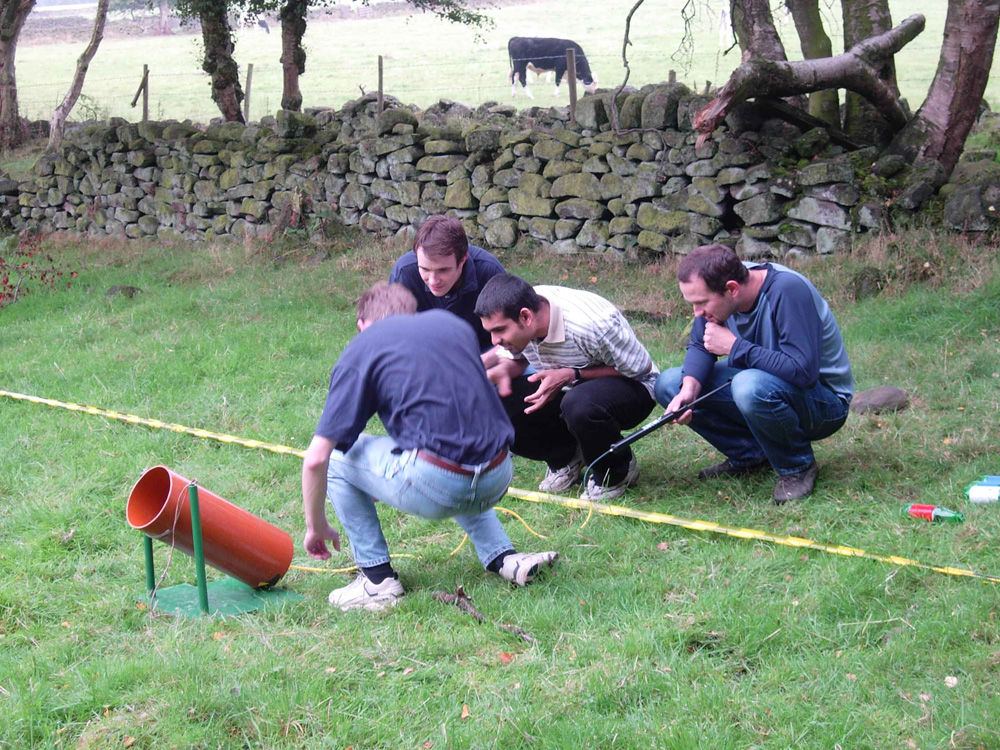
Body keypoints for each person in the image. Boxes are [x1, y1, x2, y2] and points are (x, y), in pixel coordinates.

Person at [301, 281, 558, 611]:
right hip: (499, 473)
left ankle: (377, 581)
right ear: (413, 315)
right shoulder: (449, 326)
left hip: (439, 484)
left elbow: (315, 460)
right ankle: (506, 559)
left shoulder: (362, 348)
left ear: (362, 326)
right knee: (453, 446)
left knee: (338, 459)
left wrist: (316, 525)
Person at [654, 244, 853, 504]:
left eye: (701, 303)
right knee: (670, 383)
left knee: (749, 384)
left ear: (732, 289)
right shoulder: (721, 286)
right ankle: (749, 456)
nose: (697, 313)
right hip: (766, 382)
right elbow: (700, 345)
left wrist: (735, 347)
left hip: (824, 402)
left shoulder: (787, 291)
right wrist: (688, 391)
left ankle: (797, 467)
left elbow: (804, 372)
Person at [475, 273, 659, 502]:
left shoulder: (592, 324)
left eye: (499, 331)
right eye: (490, 332)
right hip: (571, 386)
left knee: (579, 404)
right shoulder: (520, 307)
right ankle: (566, 456)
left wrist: (573, 374)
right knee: (497, 399)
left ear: (526, 317)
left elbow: (640, 369)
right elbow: (512, 361)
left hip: (635, 388)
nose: (494, 340)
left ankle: (616, 471)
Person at [389, 215, 505, 353]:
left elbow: (512, 337)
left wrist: (476, 366)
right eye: (424, 269)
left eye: (443, 270)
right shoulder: (404, 275)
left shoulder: (490, 273)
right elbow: (393, 339)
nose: (433, 280)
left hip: (482, 358)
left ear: (463, 260)